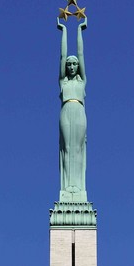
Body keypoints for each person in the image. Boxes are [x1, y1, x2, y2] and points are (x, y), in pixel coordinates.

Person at [57, 17, 88, 196]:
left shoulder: (82, 82)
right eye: (69, 64)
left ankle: (78, 187)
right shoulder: (63, 82)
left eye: (74, 64)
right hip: (66, 111)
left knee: (78, 148)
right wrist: (64, 31)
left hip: (79, 111)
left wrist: (79, 30)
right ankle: (68, 186)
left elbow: (81, 54)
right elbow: (62, 56)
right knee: (67, 148)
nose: (71, 66)